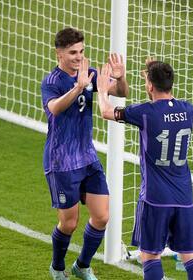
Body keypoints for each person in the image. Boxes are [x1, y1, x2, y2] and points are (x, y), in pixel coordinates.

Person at [96, 60, 193, 280]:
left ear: (149, 86)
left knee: (150, 255)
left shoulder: (145, 112)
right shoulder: (188, 110)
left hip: (155, 198)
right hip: (184, 196)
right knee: (190, 254)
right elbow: (165, 106)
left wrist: (101, 90)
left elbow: (106, 111)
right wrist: (155, 72)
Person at [41, 27, 129, 280]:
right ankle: (57, 268)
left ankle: (82, 265)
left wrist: (120, 78)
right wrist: (78, 88)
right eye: (72, 53)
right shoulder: (52, 81)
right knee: (69, 223)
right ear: (59, 54)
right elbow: (54, 109)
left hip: (87, 157)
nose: (79, 57)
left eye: (81, 51)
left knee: (102, 216)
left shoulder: (89, 74)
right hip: (62, 161)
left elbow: (121, 93)